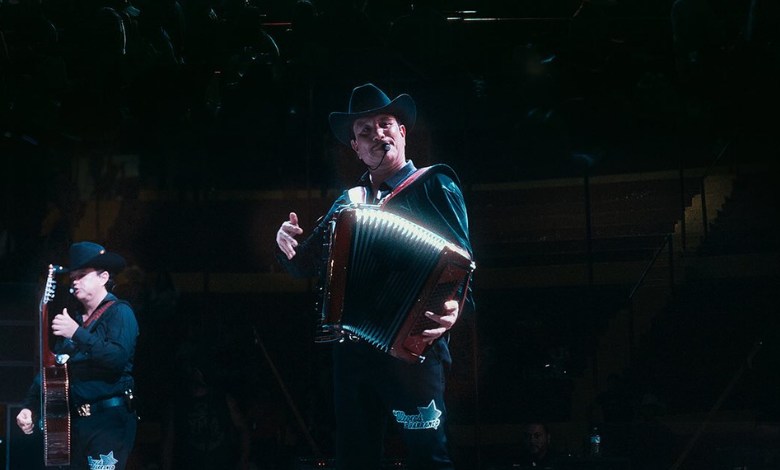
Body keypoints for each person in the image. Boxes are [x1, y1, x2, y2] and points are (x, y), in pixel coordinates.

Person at [275, 83, 473, 469]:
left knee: (429, 457)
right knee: (354, 459)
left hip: (414, 349)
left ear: (402, 132)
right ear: (356, 148)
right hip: (353, 353)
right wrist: (284, 244)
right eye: (365, 131)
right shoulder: (348, 202)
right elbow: (304, 265)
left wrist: (454, 308)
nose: (377, 134)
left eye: (385, 124)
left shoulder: (435, 184)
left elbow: (463, 263)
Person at [16, 241, 139, 470]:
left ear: (103, 277)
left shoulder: (120, 312)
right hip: (74, 424)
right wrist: (29, 406)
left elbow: (117, 357)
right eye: (73, 277)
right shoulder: (73, 319)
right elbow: (54, 368)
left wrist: (77, 333)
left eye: (82, 275)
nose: (75, 281)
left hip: (108, 422)